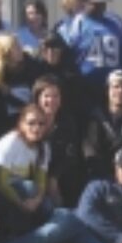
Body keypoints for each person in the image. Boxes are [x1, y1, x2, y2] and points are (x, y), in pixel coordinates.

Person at [0, 105, 52, 236]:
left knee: (46, 206)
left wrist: (37, 200)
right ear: (21, 124)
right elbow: (1, 183)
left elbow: (41, 181)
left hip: (20, 189)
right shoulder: (9, 143)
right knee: (27, 190)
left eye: (41, 124)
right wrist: (22, 204)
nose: (36, 128)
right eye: (31, 123)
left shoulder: (44, 147)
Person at [67, 0, 122, 110]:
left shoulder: (116, 22)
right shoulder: (76, 24)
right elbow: (68, 55)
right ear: (84, 2)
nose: (101, 6)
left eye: (103, 2)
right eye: (96, 3)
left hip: (113, 90)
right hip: (86, 88)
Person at [83, 70, 122, 183]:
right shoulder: (96, 117)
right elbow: (91, 149)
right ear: (108, 90)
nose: (120, 91)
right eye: (115, 87)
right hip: (102, 178)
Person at [33, 75, 83, 207]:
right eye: (47, 96)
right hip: (32, 176)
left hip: (60, 177)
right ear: (38, 98)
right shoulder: (29, 122)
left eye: (56, 96)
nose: (52, 100)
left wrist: (53, 177)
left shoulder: (67, 122)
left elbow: (70, 155)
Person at [0, 33, 43, 137]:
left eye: (19, 44)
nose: (20, 48)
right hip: (5, 126)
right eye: (15, 46)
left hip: (30, 122)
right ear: (5, 52)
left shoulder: (32, 66)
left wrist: (10, 96)